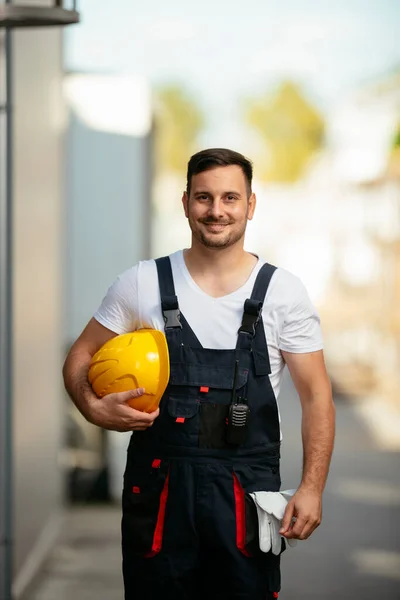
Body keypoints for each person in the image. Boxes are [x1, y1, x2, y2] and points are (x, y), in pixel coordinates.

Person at [62, 147, 336, 600]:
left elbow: (317, 398)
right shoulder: (142, 282)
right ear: (186, 201)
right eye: (204, 198)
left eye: (231, 198)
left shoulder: (282, 293)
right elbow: (79, 358)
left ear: (251, 205)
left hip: (245, 500)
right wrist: (92, 408)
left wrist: (312, 488)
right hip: (160, 494)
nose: (216, 211)